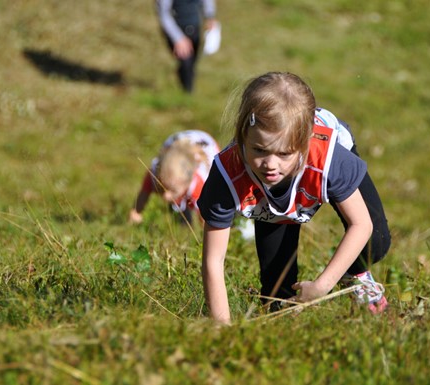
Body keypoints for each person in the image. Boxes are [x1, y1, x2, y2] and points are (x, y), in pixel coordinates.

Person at [198, 72, 391, 324]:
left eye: (284, 153)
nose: (270, 164)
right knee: (276, 293)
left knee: (375, 242)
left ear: (304, 144)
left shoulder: (331, 160)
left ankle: (353, 273)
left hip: (321, 166)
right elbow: (213, 260)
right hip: (271, 199)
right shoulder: (226, 174)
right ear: (243, 134)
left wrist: (323, 285)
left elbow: (361, 224)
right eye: (259, 150)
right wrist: (221, 328)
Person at [130, 130, 220, 225]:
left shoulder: (199, 186)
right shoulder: (155, 173)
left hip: (206, 144)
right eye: (162, 187)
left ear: (188, 183)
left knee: (216, 196)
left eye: (172, 190)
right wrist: (135, 215)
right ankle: (179, 209)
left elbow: (207, 219)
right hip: (174, 143)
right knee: (177, 208)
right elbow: (143, 195)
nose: (166, 196)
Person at [155, 0, 218, 93]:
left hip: (195, 30)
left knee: (192, 65)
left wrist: (210, 16)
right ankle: (187, 96)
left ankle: (187, 92)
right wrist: (178, 39)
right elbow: (164, 14)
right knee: (186, 62)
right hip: (177, 31)